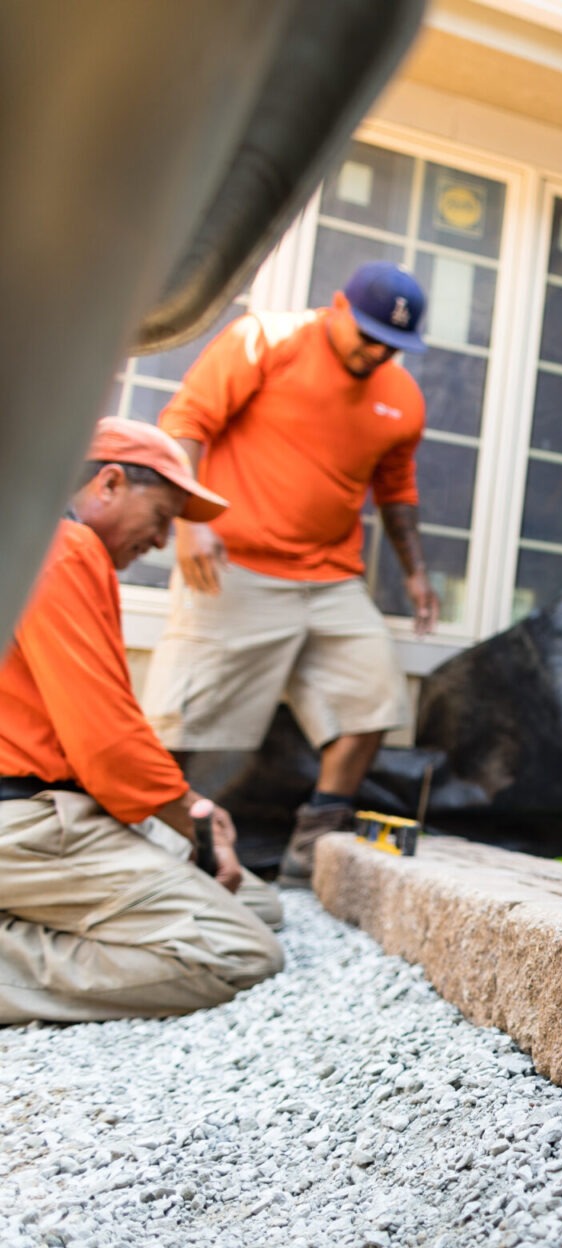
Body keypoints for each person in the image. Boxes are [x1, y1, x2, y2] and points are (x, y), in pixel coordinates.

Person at [142, 261, 440, 887]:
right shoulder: (265, 340)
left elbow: (397, 490)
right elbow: (186, 422)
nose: (376, 350)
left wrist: (416, 573)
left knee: (373, 698)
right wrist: (191, 522)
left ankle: (312, 852)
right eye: (366, 334)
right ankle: (156, 844)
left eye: (392, 345)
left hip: (331, 575)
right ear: (335, 306)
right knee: (185, 718)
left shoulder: (402, 397)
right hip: (236, 567)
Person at [0, 418, 283, 1024]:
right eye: (160, 517)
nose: (161, 543)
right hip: (26, 819)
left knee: (259, 904)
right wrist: (192, 814)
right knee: (237, 950)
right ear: (108, 483)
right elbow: (107, 748)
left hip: (44, 807)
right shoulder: (59, 546)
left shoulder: (27, 541)